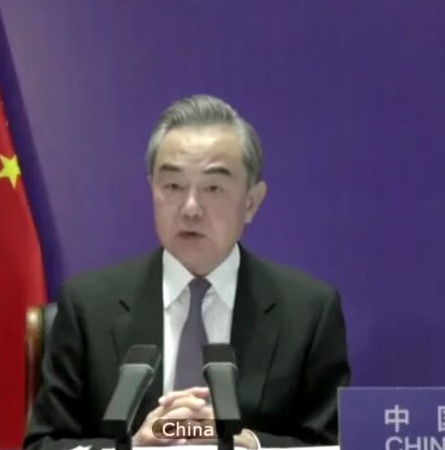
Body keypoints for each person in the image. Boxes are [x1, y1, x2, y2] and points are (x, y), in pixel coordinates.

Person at [24, 94, 351, 450]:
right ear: (152, 190)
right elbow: (43, 445)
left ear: (251, 202)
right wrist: (130, 449)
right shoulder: (88, 307)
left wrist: (248, 444)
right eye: (173, 186)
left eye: (213, 188)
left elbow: (332, 443)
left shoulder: (307, 312)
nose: (191, 208)